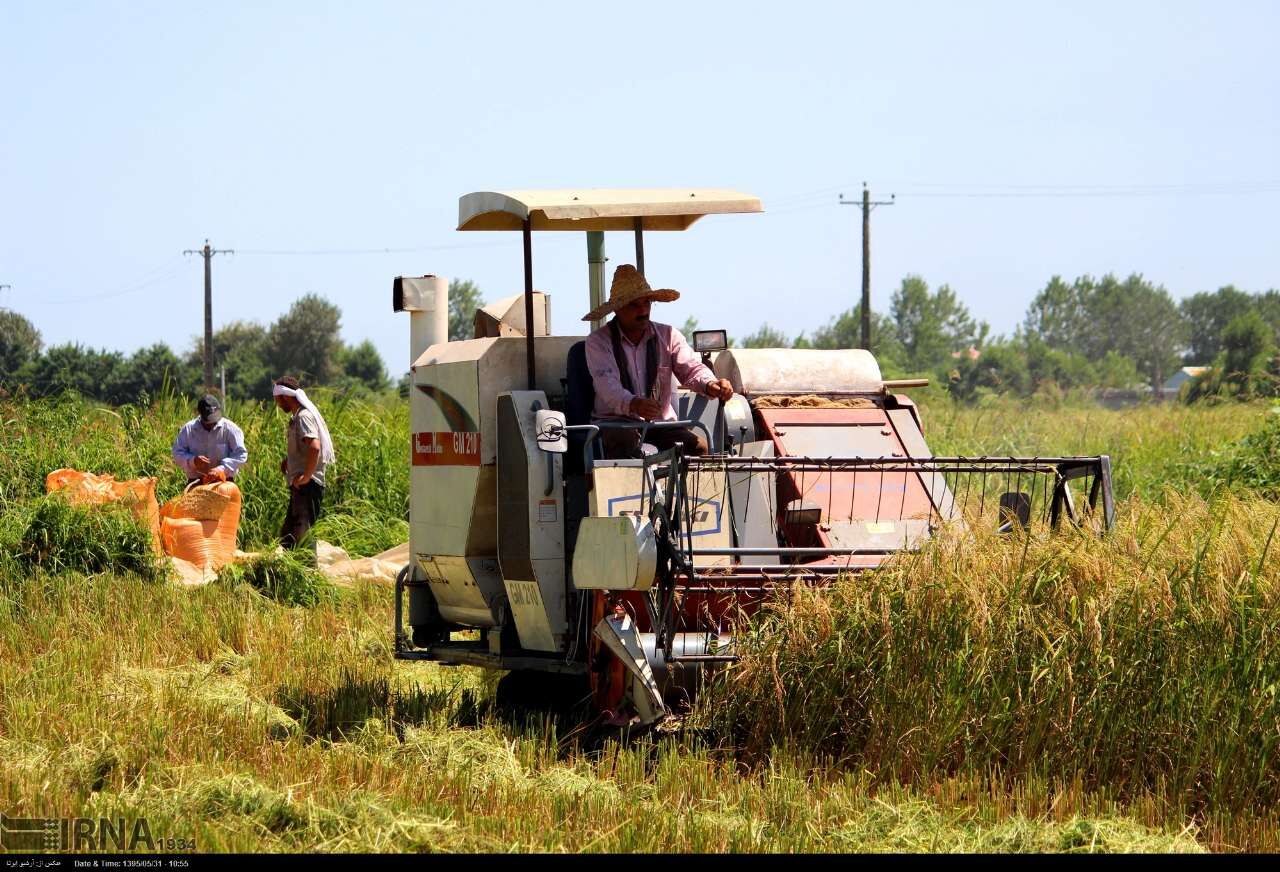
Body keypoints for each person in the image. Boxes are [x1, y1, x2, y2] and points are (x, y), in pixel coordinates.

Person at [582, 264, 734, 459]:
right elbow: (607, 386)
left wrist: (710, 383)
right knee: (630, 454)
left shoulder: (669, 335)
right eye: (634, 305)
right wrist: (634, 404)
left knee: (702, 451)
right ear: (617, 310)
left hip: (662, 426)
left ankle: (692, 491)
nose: (643, 310)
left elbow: (691, 368)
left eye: (647, 303)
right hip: (617, 424)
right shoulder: (598, 341)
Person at [272, 376, 336, 550]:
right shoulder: (296, 417)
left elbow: (314, 447)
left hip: (308, 486)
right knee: (289, 535)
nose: (277, 404)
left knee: (302, 536)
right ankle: (291, 574)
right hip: (300, 486)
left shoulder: (303, 416)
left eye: (277, 399)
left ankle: (309, 573)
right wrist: (289, 461)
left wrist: (306, 476)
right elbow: (305, 448)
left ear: (285, 397)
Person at [171, 394, 248, 485]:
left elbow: (241, 454)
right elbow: (177, 453)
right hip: (196, 483)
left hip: (224, 482)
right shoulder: (188, 430)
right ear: (200, 415)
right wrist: (193, 461)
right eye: (209, 421)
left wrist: (221, 469)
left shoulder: (231, 429)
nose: (213, 423)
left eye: (215, 419)